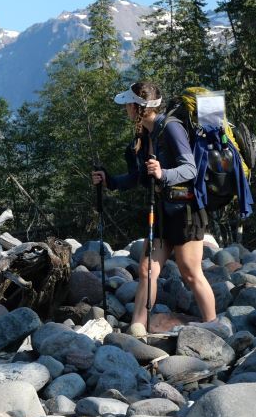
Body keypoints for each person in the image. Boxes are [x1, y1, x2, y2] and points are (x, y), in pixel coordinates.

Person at [91, 81, 217, 330]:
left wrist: (163, 173)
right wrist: (110, 181)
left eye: (128, 103)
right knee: (147, 269)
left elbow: (190, 168)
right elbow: (140, 177)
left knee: (190, 273)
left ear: (138, 107)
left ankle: (215, 327)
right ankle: (137, 328)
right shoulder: (144, 135)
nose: (126, 108)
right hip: (160, 212)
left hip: (185, 211)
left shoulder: (171, 129)